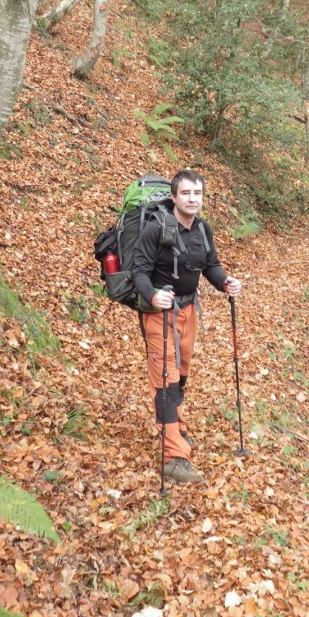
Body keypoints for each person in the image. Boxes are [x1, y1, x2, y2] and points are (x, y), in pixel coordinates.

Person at [131, 170, 243, 484]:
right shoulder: (155, 229)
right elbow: (139, 271)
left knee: (180, 376)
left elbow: (210, 265)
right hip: (160, 313)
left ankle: (176, 430)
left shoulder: (202, 229)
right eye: (186, 193)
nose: (192, 199)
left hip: (189, 309)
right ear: (174, 197)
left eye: (197, 193)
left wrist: (225, 283)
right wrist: (153, 295)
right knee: (165, 380)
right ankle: (173, 457)